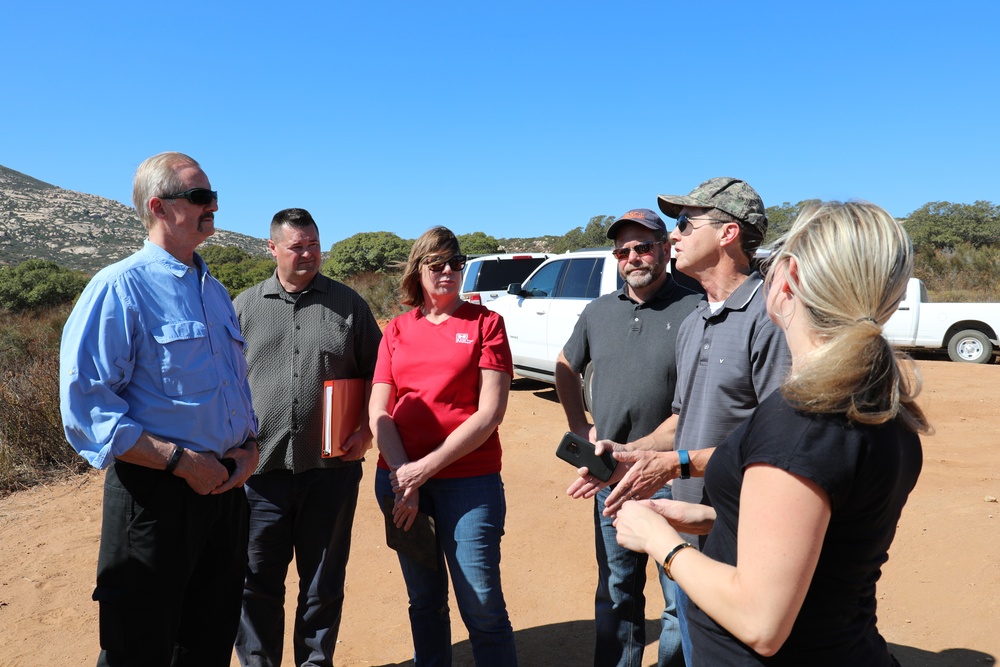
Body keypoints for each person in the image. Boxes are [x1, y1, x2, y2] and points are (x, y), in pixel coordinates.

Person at [613, 200, 930, 666]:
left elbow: (760, 621)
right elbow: (813, 540)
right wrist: (696, 518)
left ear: (790, 278)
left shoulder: (802, 424)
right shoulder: (873, 403)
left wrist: (657, 538)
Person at [567, 177, 790, 662]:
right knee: (671, 614)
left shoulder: (772, 317)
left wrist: (673, 466)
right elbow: (680, 419)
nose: (677, 235)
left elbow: (783, 445)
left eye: (685, 224)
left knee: (709, 632)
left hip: (740, 521)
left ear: (728, 233)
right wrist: (631, 453)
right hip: (688, 504)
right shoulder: (697, 323)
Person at [59, 151, 259, 666]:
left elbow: (233, 389)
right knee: (139, 650)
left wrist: (249, 451)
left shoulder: (215, 292)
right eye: (199, 197)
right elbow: (87, 408)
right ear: (159, 207)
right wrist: (181, 462)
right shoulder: (119, 287)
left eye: (212, 196)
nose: (213, 205)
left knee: (207, 645)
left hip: (225, 494)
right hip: (157, 500)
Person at [232, 208, 382, 666]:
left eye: (314, 244)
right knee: (254, 585)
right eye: (297, 246)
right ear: (272, 248)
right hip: (260, 477)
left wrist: (366, 431)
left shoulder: (349, 304)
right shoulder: (242, 307)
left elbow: (382, 376)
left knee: (322, 584)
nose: (308, 254)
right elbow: (222, 383)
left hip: (331, 473)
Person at [555, 208, 700, 667]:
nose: (633, 257)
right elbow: (564, 366)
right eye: (623, 250)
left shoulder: (696, 306)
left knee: (680, 596)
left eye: (642, 247)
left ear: (664, 248)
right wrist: (581, 428)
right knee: (617, 591)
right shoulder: (599, 311)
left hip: (676, 476)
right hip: (611, 476)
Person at [370, 226, 518, 666]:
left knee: (482, 604)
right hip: (400, 483)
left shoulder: (486, 323)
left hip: (468, 484)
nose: (449, 271)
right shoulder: (396, 329)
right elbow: (379, 410)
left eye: (457, 262)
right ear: (419, 270)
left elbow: (489, 414)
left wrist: (423, 470)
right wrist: (404, 477)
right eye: (437, 264)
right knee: (424, 601)